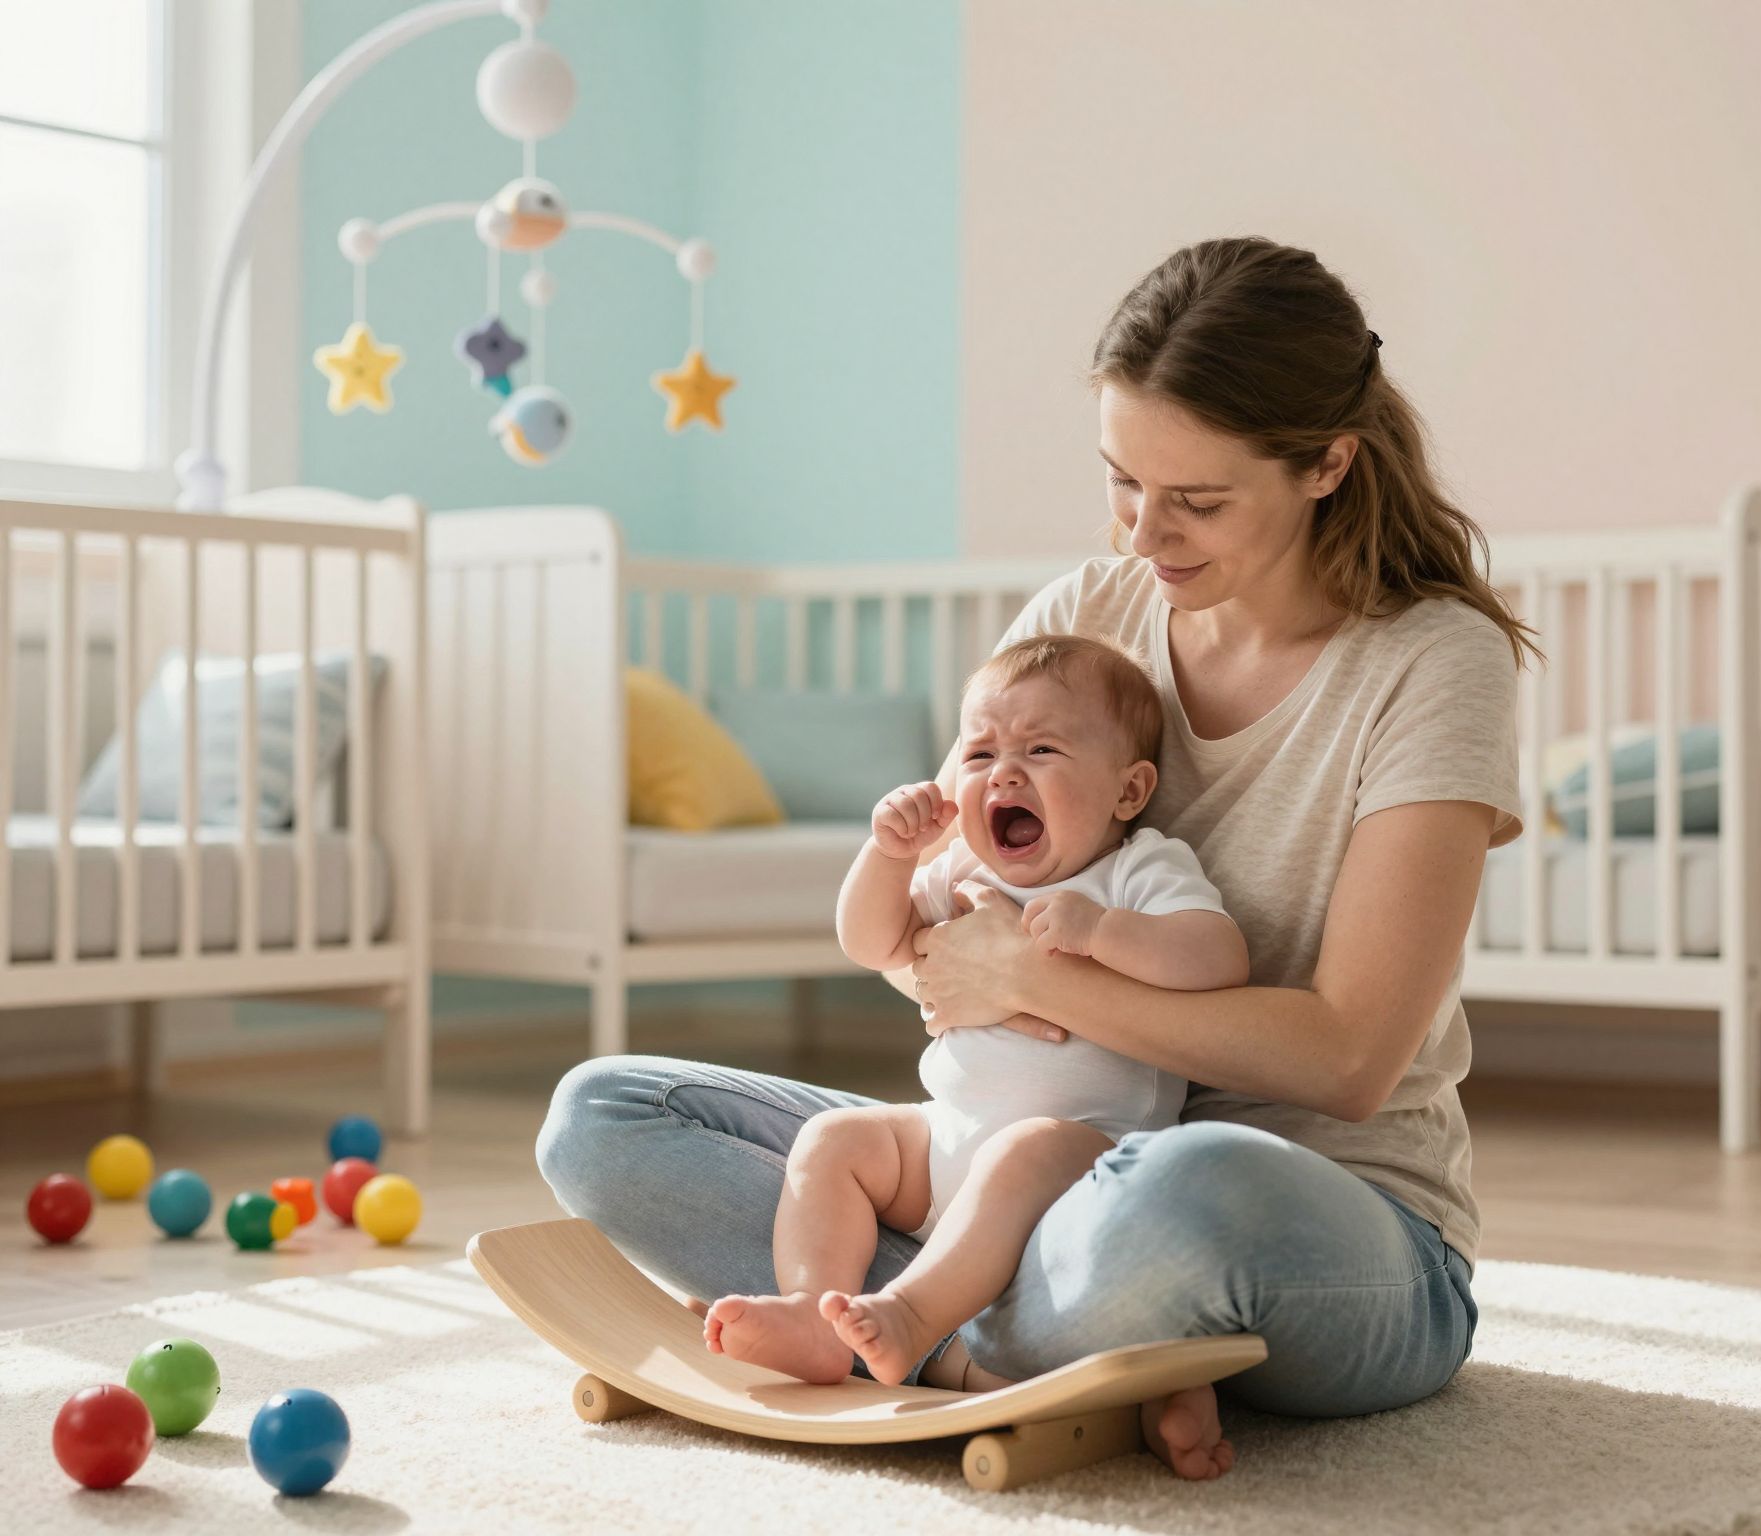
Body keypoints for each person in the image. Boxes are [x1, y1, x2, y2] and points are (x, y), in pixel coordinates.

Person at [536, 235, 1533, 1482]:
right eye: (1121, 481)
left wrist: (1043, 980)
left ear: (1327, 462)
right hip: (1011, 1164)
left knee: (1186, 1185)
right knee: (606, 1115)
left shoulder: (1430, 662)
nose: (1142, 535)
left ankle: (937, 1327)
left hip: (1305, 1215)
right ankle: (950, 1328)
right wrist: (947, 950)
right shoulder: (1085, 620)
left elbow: (1344, 1059)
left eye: (1197, 501)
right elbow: (948, 947)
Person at [702, 635, 1249, 1389]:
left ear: (1128, 791)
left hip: (1087, 1161)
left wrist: (1102, 932)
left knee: (1021, 1151)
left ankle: (912, 1317)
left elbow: (1217, 959)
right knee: (835, 1140)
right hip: (943, 1149)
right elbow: (872, 943)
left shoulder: (1137, 869)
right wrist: (891, 857)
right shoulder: (962, 866)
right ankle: (811, 1315)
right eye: (980, 754)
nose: (1005, 773)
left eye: (1043, 749)